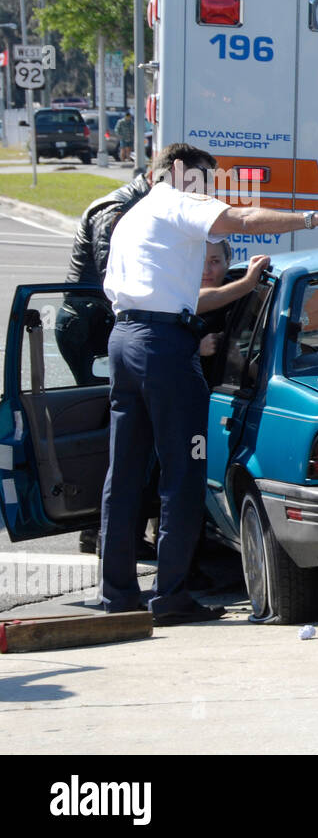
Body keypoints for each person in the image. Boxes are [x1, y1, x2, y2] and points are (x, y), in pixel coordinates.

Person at [98, 143, 318, 624]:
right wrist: (315, 219)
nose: (210, 192)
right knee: (183, 474)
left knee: (124, 472)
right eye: (203, 179)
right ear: (178, 174)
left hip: (125, 339)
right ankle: (171, 597)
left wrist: (242, 287)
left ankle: (117, 594)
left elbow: (177, 297)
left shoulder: (134, 217)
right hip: (162, 349)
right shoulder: (177, 202)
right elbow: (243, 220)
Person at [57, 170, 154, 554]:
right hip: (91, 324)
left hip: (94, 321)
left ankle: (97, 529)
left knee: (109, 428)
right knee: (111, 430)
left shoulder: (129, 203)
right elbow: (110, 270)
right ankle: (102, 531)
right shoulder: (117, 208)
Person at [197, 241, 271, 386]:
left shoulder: (246, 299)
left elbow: (272, 381)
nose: (206, 270)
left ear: (228, 261)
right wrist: (196, 350)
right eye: (200, 261)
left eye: (214, 261)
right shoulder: (175, 301)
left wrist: (240, 361)